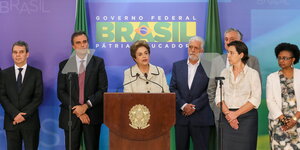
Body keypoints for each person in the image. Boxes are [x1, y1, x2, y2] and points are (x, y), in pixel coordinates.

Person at [57, 31, 108, 150]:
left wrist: (86, 106)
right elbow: (61, 91)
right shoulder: (64, 65)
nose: (82, 45)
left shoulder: (98, 62)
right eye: (78, 43)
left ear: (88, 43)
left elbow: (102, 89)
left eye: (84, 42)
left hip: (92, 114)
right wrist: (78, 109)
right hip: (71, 115)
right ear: (73, 46)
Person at [170, 36, 214, 150]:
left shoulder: (210, 66)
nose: (193, 50)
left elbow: (210, 90)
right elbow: (173, 88)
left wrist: (194, 106)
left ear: (202, 51)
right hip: (181, 118)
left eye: (196, 48)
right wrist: (184, 105)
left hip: (201, 117)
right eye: (190, 47)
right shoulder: (177, 66)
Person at [215, 41, 261, 150]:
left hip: (247, 118)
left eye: (231, 53)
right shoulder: (224, 73)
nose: (228, 56)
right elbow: (218, 96)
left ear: (241, 55)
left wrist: (235, 115)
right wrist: (229, 115)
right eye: (227, 53)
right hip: (226, 117)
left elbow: (255, 99)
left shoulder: (252, 74)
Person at [208, 28, 261, 123]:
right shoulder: (217, 61)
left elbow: (256, 92)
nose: (228, 42)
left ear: (240, 42)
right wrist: (223, 113)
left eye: (232, 39)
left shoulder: (252, 61)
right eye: (226, 39)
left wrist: (237, 114)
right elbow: (212, 90)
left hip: (246, 116)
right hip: (223, 116)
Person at [0, 41, 43, 150]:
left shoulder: (36, 73)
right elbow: (2, 96)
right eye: (15, 52)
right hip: (12, 122)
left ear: (27, 54)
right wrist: (15, 114)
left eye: (21, 52)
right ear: (12, 55)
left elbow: (38, 97)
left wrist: (23, 115)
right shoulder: (4, 74)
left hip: (30, 123)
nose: (18, 55)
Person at [266, 43, 300, 149]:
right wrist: (284, 120)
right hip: (278, 122)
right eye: (279, 58)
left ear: (293, 59)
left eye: (285, 58)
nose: (281, 61)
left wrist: (294, 119)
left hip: (298, 121)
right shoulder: (271, 77)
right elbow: (270, 101)